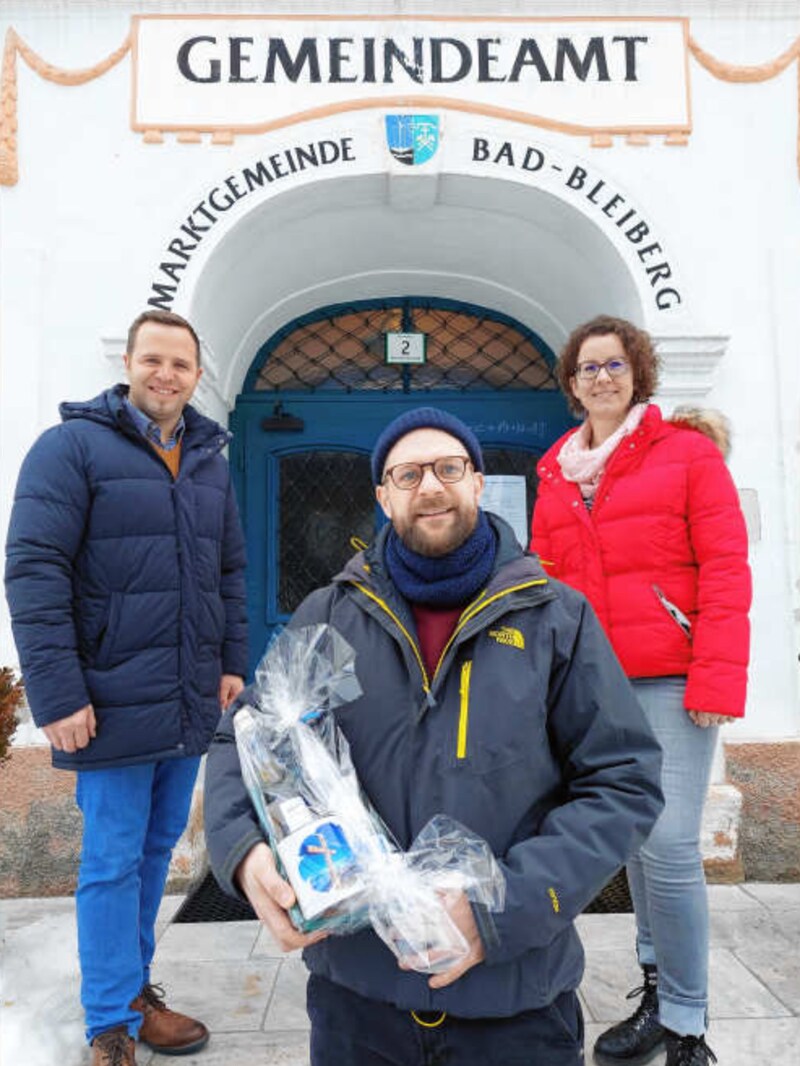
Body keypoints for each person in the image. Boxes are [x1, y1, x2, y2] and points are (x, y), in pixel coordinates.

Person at [204, 406, 664, 1066]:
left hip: (516, 1000)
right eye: (408, 472)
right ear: (383, 497)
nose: (430, 486)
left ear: (478, 482)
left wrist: (503, 909)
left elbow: (623, 782)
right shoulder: (329, 613)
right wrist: (245, 855)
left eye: (449, 467)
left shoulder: (555, 617)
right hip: (356, 1001)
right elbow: (242, 742)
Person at [4, 309, 248, 1066]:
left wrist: (231, 662)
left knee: (152, 853)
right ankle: (108, 1023)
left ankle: (135, 991)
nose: (165, 374)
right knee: (110, 861)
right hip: (104, 701)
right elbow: (34, 572)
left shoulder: (208, 457)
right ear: (130, 364)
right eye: (153, 360)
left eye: (180, 363)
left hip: (183, 698)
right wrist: (56, 694)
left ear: (197, 374)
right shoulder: (71, 448)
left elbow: (230, 571)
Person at [530, 316, 751, 1066]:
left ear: (639, 374)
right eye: (587, 368)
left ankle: (689, 1023)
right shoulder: (554, 470)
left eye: (614, 364)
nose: (600, 377)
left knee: (670, 845)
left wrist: (717, 673)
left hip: (675, 678)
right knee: (631, 840)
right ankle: (658, 993)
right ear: (571, 383)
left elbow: (725, 567)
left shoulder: (686, 454)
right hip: (596, 686)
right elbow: (549, 584)